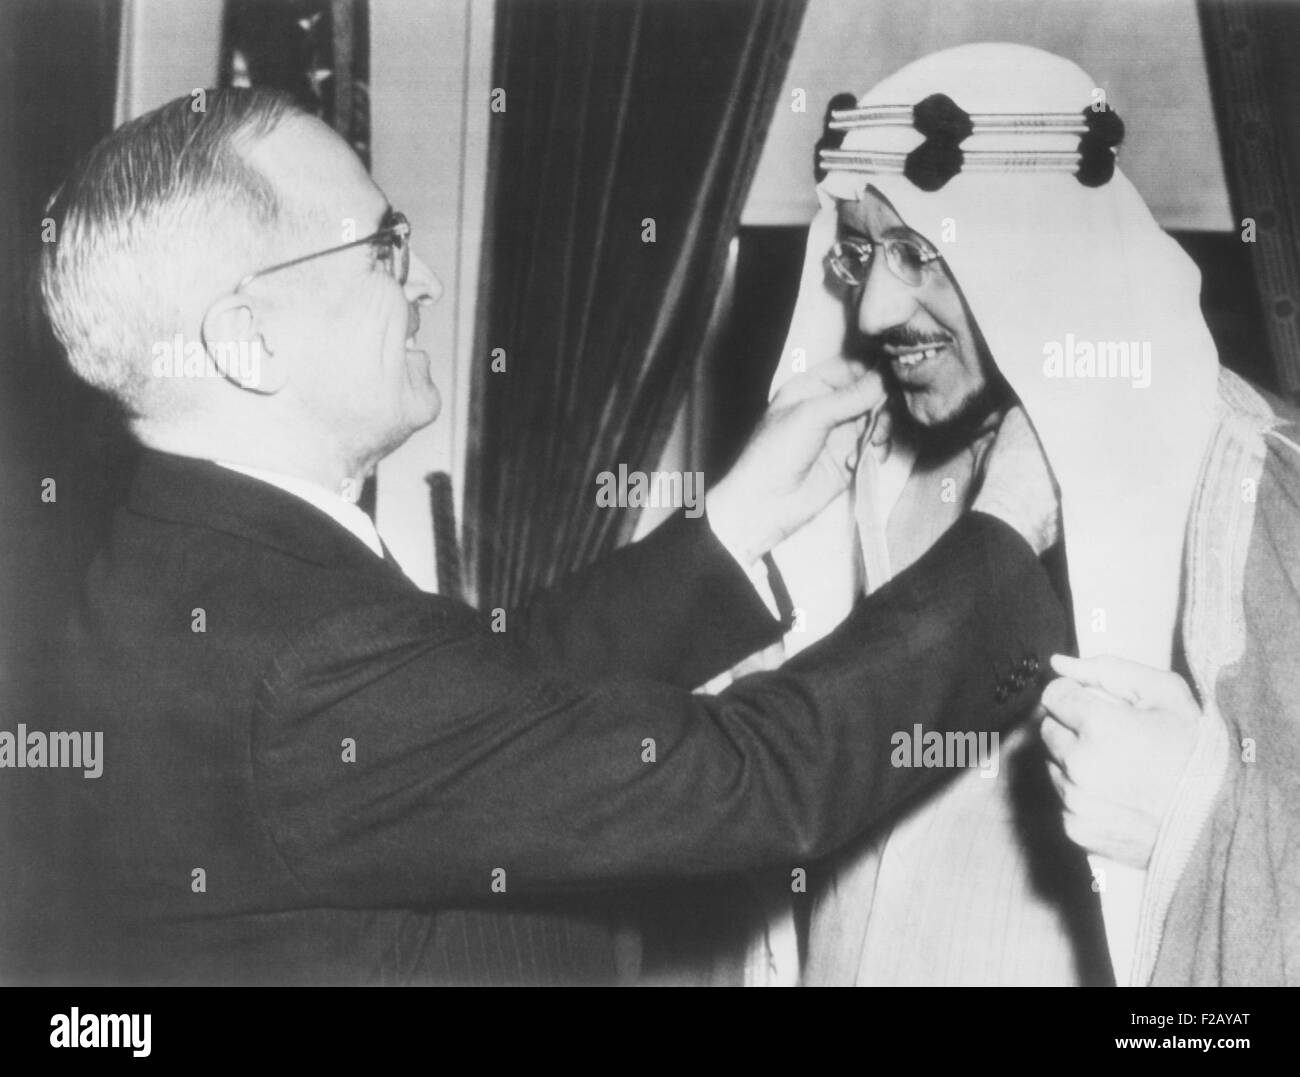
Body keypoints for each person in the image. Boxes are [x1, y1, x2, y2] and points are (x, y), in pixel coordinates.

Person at [19, 87, 1065, 986]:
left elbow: (488, 702)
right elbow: (756, 784)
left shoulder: (191, 562)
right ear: (246, 340)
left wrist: (732, 523)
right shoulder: (303, 663)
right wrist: (1005, 531)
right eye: (384, 246)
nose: (423, 278)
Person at [739, 43, 1300, 987]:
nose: (874, 310)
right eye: (860, 251)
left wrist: (1187, 809)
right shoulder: (847, 466)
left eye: (920, 251)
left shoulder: (1249, 490)